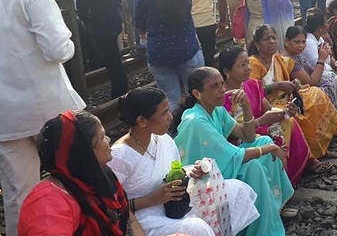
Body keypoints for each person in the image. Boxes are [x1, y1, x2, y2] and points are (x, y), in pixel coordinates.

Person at [0, 0, 86, 236]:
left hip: (5, 119)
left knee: (18, 195)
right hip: (49, 110)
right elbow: (58, 49)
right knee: (73, 177)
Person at [109, 87, 259, 235]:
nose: (170, 117)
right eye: (163, 113)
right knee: (196, 227)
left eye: (168, 110)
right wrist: (151, 199)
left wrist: (191, 172)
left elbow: (174, 172)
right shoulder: (120, 155)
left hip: (176, 205)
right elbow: (109, 207)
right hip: (145, 218)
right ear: (142, 120)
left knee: (236, 190)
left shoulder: (163, 139)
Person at [173, 67, 294, 236]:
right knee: (254, 166)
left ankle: (271, 210)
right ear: (197, 93)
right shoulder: (196, 121)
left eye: (222, 84)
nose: (223, 90)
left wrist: (246, 107)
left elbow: (248, 136)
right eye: (214, 87)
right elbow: (233, 156)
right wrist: (271, 148)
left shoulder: (217, 109)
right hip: (202, 176)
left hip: (222, 163)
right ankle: (261, 227)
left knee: (264, 140)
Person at [18, 110, 142, 235]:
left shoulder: (101, 177)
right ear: (84, 152)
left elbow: (129, 221)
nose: (108, 139)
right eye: (102, 137)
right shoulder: (47, 205)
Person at [135, 0, 210, 110]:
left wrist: (144, 32)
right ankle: (200, 131)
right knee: (199, 96)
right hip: (187, 49)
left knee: (171, 102)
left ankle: (174, 135)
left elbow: (139, 20)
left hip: (158, 53)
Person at [248, 24, 337, 161]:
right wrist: (277, 85)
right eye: (266, 39)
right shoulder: (253, 63)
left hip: (285, 97)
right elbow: (252, 92)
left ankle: (320, 147)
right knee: (297, 115)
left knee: (315, 94)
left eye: (274, 38)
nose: (272, 42)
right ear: (257, 44)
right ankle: (309, 158)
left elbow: (296, 78)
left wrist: (295, 83)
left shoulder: (278, 59)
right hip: (266, 104)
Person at [218, 46, 311, 185]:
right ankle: (275, 183)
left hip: (259, 126)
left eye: (248, 63)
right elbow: (228, 133)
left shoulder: (252, 85)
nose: (248, 68)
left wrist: (286, 112)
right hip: (239, 138)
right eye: (242, 65)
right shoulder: (223, 97)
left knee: (289, 121)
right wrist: (260, 122)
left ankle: (289, 174)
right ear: (227, 71)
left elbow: (269, 109)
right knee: (269, 137)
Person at [283, 25, 337, 112]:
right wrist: (321, 59)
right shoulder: (288, 60)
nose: (301, 45)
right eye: (296, 42)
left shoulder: (297, 55)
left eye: (303, 42)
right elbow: (312, 82)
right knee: (327, 84)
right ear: (287, 41)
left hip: (307, 87)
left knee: (329, 76)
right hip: (296, 95)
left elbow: (313, 72)